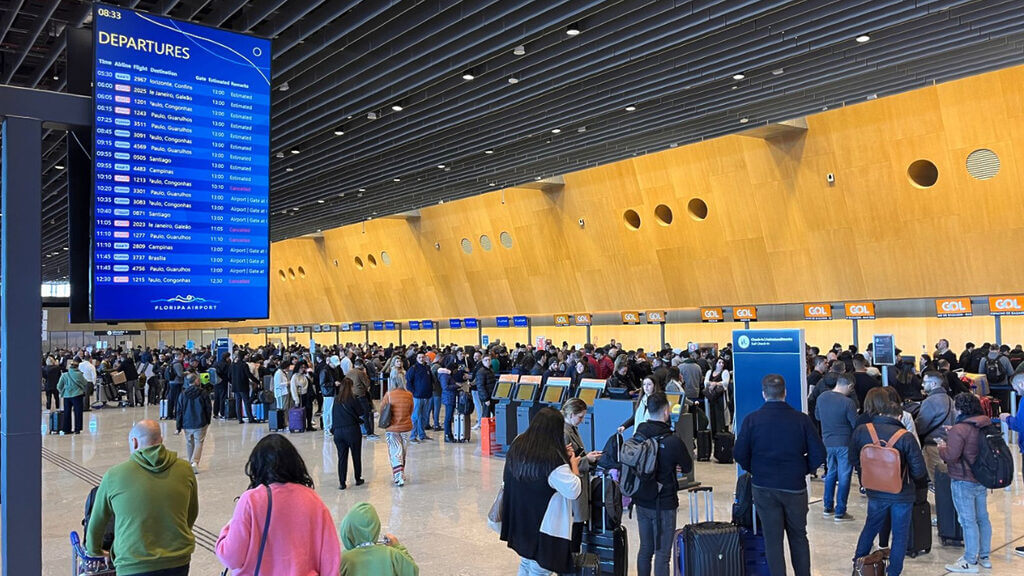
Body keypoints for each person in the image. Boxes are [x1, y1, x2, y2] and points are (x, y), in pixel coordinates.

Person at [734, 374, 826, 576]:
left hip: (764, 486)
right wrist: (802, 469)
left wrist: (755, 469)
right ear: (785, 392)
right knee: (799, 536)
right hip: (794, 486)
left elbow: (739, 453)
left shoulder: (752, 420)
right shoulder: (801, 420)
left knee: (772, 540)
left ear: (764, 394)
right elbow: (819, 454)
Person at [215, 434, 341, 576]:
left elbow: (231, 558)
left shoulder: (250, 501)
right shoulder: (314, 501)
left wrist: (228, 528)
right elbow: (330, 561)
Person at [86, 420, 198, 576]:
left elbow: (97, 522)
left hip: (133, 563)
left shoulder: (114, 475)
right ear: (161, 439)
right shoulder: (185, 469)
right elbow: (191, 513)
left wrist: (95, 550)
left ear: (135, 442)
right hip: (178, 560)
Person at [849, 389, 928, 576]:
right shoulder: (905, 436)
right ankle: (893, 572)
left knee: (870, 527)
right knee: (900, 535)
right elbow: (919, 470)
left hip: (875, 489)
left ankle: (858, 565)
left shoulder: (862, 431)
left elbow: (853, 459)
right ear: (899, 416)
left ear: (881, 413)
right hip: (902, 492)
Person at [500, 406, 581, 575]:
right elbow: (573, 490)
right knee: (540, 570)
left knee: (525, 563)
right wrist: (573, 464)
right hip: (543, 528)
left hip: (520, 520)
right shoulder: (553, 461)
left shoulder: (518, 442)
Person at [632, 392, 693, 576]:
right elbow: (687, 467)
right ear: (666, 411)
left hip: (642, 500)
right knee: (662, 554)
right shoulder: (673, 441)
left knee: (645, 550)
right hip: (665, 503)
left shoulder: (638, 435)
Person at [938, 393, 993, 572]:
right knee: (982, 518)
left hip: (963, 479)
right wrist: (953, 433)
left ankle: (970, 560)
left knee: (967, 520)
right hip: (982, 477)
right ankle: (984, 556)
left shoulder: (960, 429)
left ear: (959, 408)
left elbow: (951, 456)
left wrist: (941, 447)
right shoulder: (985, 423)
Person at [815, 373, 858, 522]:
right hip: (845, 443)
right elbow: (855, 424)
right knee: (844, 476)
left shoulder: (822, 398)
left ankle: (828, 506)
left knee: (831, 473)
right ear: (850, 386)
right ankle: (840, 510)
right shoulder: (848, 403)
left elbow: (818, 417)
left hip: (827, 442)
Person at [562, 398, 602, 553]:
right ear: (571, 414)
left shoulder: (572, 428)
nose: (582, 420)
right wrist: (587, 459)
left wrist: (587, 457)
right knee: (575, 527)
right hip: (574, 485)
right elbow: (565, 464)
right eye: (580, 417)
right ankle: (572, 559)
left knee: (578, 524)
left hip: (580, 483)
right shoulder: (565, 433)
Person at [339, 502, 418, 575]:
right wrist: (398, 547)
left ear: (347, 530)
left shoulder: (343, 559)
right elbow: (412, 571)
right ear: (377, 527)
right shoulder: (392, 554)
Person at [915, 371, 956, 482]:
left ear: (933, 384)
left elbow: (921, 426)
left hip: (933, 445)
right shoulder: (949, 399)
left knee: (937, 481)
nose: (922, 385)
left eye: (924, 382)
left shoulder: (930, 401)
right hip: (947, 443)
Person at [331, 377, 366, 490]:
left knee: (342, 457)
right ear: (351, 387)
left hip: (338, 432)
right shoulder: (353, 399)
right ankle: (357, 478)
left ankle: (342, 482)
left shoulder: (336, 399)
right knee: (356, 455)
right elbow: (361, 412)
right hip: (352, 430)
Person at [175, 372, 212, 475]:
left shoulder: (182, 394)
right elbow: (208, 408)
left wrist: (178, 425)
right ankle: (194, 462)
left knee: (189, 442)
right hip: (200, 421)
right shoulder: (203, 393)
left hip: (187, 423)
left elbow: (179, 411)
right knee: (199, 442)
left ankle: (190, 462)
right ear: (196, 381)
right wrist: (208, 420)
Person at [380, 375, 415, 484]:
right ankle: (401, 473)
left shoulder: (389, 395)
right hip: (406, 427)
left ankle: (398, 476)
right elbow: (411, 410)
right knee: (403, 452)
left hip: (392, 428)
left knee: (395, 452)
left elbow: (382, 410)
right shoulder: (409, 395)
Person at [405, 352, 433, 442]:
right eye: (419, 357)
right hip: (417, 397)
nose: (421, 359)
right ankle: (413, 436)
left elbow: (431, 380)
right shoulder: (413, 369)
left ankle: (422, 434)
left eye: (423, 357)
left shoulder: (427, 368)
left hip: (427, 396)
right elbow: (408, 382)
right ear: (417, 358)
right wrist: (413, 393)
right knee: (416, 417)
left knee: (424, 417)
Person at [57, 359, 88, 434]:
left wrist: (63, 391)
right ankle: (77, 429)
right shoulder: (79, 374)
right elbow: (85, 383)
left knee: (67, 412)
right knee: (78, 412)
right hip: (77, 395)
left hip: (67, 396)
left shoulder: (64, 375)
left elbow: (59, 386)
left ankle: (66, 429)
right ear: (77, 367)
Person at [230, 351, 260, 423]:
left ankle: (240, 419)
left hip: (235, 386)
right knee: (247, 402)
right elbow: (249, 375)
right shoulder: (244, 365)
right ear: (243, 356)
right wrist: (257, 381)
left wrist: (232, 382)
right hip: (243, 385)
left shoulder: (233, 365)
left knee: (238, 402)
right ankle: (250, 418)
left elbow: (229, 375)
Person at [703, 358, 731, 434]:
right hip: (711, 397)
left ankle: (721, 431)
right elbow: (706, 382)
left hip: (721, 397)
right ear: (715, 363)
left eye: (723, 363)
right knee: (711, 414)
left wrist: (715, 384)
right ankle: (713, 432)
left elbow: (725, 383)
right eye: (719, 362)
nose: (721, 364)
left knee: (721, 414)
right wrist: (712, 384)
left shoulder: (725, 372)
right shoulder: (709, 372)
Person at [320, 355, 342, 437]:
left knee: (333, 411)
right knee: (328, 412)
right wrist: (333, 384)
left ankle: (332, 427)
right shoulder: (324, 371)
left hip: (334, 392)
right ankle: (327, 428)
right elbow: (322, 384)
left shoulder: (335, 369)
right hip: (328, 393)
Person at [165, 353, 185, 418]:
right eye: (182, 357)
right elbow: (180, 374)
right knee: (177, 399)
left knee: (171, 399)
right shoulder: (178, 364)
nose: (183, 358)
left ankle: (169, 414)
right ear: (178, 357)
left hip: (171, 382)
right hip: (177, 383)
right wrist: (186, 373)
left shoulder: (171, 363)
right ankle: (176, 414)